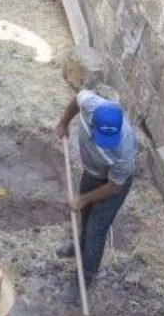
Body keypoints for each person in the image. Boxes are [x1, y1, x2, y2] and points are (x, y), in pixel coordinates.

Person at [56, 90, 137, 296]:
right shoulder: (91, 105)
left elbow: (113, 187)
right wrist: (64, 123)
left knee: (96, 229)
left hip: (114, 183)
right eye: (102, 137)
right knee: (86, 215)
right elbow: (76, 99)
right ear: (92, 122)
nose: (105, 144)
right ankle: (79, 248)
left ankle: (84, 279)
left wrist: (83, 199)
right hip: (93, 171)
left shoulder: (124, 150)